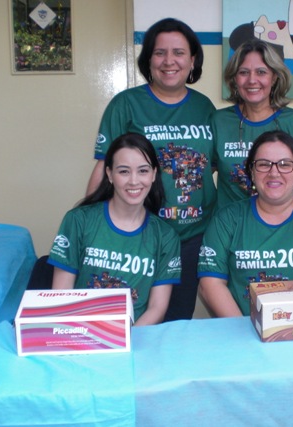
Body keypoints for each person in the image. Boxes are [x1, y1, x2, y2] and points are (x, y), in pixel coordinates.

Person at [86, 18, 216, 321]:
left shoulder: (205, 107)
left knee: (176, 319)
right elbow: (103, 167)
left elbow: (211, 166)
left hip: (192, 236)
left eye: (179, 52)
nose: (169, 61)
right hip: (140, 235)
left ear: (193, 60)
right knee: (134, 316)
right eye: (160, 53)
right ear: (148, 59)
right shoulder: (125, 104)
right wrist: (90, 226)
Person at [198, 130, 293, 317]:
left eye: (285, 164)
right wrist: (242, 329)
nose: (274, 172)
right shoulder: (226, 220)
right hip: (243, 328)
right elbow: (210, 284)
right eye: (263, 164)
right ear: (252, 172)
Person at [48, 133, 181, 326]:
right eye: (124, 171)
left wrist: (127, 338)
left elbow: (157, 309)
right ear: (109, 174)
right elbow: (60, 295)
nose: (134, 181)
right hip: (79, 332)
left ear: (154, 174)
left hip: (135, 335)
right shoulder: (78, 220)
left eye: (143, 171)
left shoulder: (166, 236)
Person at [212, 39, 293, 210]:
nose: (252, 80)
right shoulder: (218, 121)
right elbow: (201, 180)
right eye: (243, 72)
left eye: (261, 72)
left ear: (275, 77)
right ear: (234, 78)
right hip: (230, 223)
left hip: (282, 222)